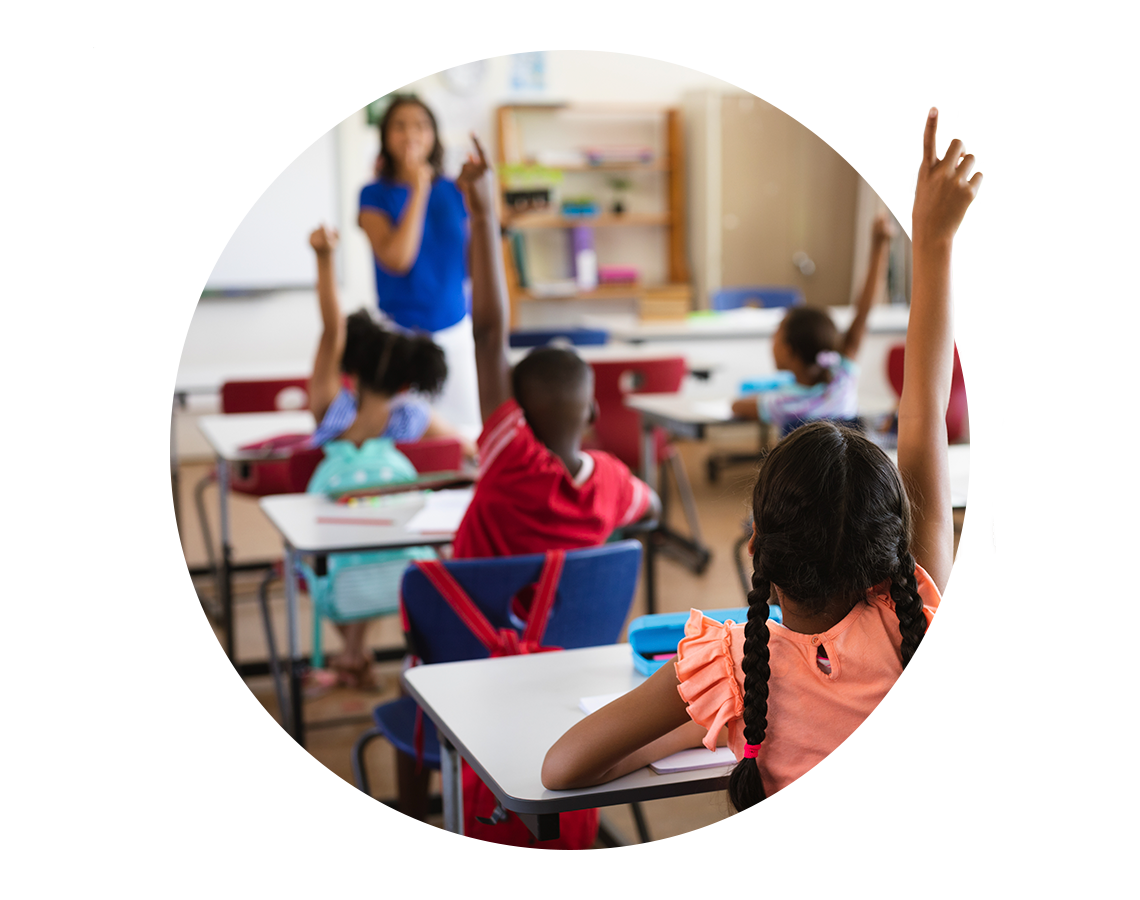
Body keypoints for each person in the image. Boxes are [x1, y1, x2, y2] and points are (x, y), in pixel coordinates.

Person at [541, 108, 980, 844]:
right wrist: (934, 243)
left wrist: (697, 729)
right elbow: (921, 419)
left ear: (757, 551)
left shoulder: (741, 670)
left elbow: (562, 768)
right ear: (892, 547)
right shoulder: (925, 630)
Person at [386, 135, 662, 851]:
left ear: (513, 419)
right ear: (595, 418)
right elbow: (651, 509)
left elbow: (487, 332)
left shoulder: (509, 460)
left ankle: (415, 835)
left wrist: (481, 210)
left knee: (405, 694)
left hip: (468, 675)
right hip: (568, 676)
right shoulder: (610, 486)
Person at [303, 224, 470, 692]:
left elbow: (332, 327)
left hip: (333, 553)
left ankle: (351, 653)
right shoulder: (412, 416)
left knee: (347, 551)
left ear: (348, 369)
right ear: (405, 382)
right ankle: (355, 653)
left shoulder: (330, 408)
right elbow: (466, 448)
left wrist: (322, 260)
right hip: (399, 558)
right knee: (377, 544)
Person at [357, 95, 482, 434]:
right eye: (399, 125)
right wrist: (418, 188)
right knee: (406, 436)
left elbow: (473, 264)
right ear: (385, 136)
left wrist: (492, 212)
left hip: (454, 329)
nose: (410, 134)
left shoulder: (456, 190)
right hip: (400, 336)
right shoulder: (373, 195)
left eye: (421, 125)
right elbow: (398, 259)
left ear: (434, 136)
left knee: (466, 432)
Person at [730, 213, 898, 434]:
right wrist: (879, 246)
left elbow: (737, 405)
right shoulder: (841, 381)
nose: (771, 342)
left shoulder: (783, 403)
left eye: (776, 335)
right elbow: (863, 312)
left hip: (802, 470)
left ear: (789, 351)